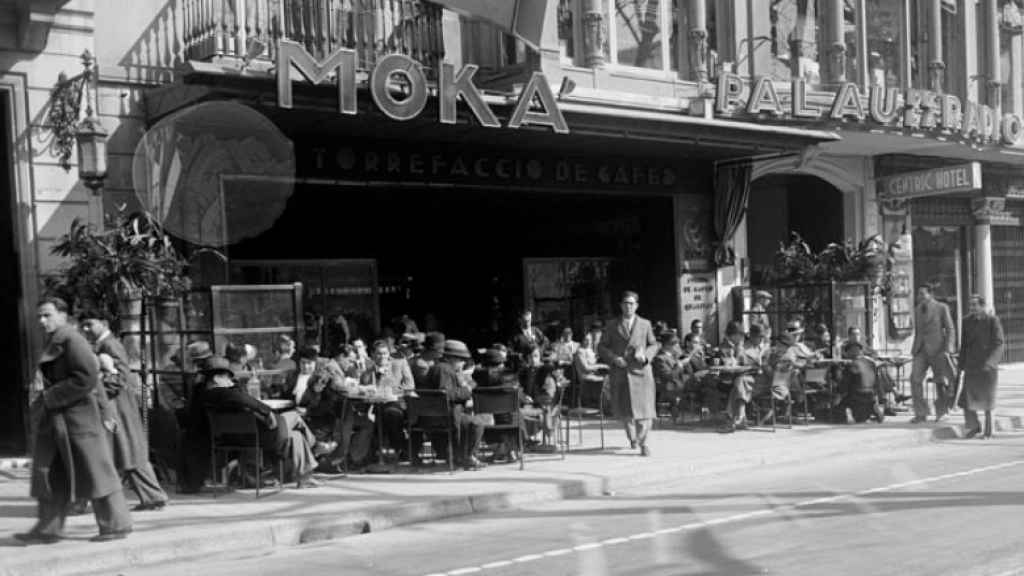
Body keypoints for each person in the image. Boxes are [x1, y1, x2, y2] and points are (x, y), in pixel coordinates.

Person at [17, 297, 132, 544]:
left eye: (47, 315)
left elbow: (88, 375)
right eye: (39, 316)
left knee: (96, 473)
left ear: (63, 315)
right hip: (60, 421)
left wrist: (51, 396)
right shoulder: (59, 339)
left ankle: (116, 525)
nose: (41, 320)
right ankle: (48, 530)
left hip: (79, 421)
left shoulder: (72, 340)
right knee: (50, 473)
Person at [80, 311, 169, 512]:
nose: (85, 330)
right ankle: (153, 496)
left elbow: (118, 379)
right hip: (116, 407)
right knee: (126, 453)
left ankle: (82, 501)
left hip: (116, 408)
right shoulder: (105, 344)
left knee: (117, 453)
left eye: (89, 324)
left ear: (103, 322)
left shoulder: (110, 345)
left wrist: (94, 391)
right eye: (83, 326)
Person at [202, 357, 319, 487]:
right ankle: (314, 445)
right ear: (217, 379)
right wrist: (268, 412)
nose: (230, 380)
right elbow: (250, 401)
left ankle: (304, 476)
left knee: (296, 435)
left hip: (232, 439)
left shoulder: (205, 396)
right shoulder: (227, 393)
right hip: (262, 438)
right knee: (296, 416)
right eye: (227, 377)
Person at [598, 290, 659, 456]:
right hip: (621, 372)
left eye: (632, 303)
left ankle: (644, 443)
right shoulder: (612, 325)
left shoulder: (645, 324)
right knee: (626, 411)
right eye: (625, 303)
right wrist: (614, 358)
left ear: (637, 306)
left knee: (645, 410)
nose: (628, 306)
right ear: (621, 305)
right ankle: (632, 437)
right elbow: (602, 347)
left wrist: (646, 356)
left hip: (641, 372)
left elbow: (654, 344)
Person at [418, 340, 488, 470]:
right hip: (442, 417)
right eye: (461, 360)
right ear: (451, 358)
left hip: (439, 414)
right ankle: (466, 457)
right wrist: (467, 390)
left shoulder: (444, 368)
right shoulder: (444, 370)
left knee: (471, 421)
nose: (463, 363)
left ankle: (462, 456)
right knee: (477, 423)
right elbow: (446, 394)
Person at [359, 340, 415, 459]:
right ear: (373, 355)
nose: (382, 357)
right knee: (372, 418)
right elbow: (363, 384)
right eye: (379, 354)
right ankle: (370, 454)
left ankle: (398, 449)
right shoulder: (368, 368)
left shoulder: (399, 363)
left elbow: (410, 385)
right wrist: (375, 373)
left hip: (397, 401)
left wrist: (395, 391)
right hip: (375, 404)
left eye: (385, 353)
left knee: (391, 414)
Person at [959, 295, 1005, 439]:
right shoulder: (966, 321)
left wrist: (991, 362)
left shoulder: (992, 321)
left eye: (975, 305)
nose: (972, 308)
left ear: (982, 306)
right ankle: (973, 426)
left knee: (987, 400)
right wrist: (961, 364)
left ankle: (988, 431)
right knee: (966, 400)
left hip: (987, 367)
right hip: (971, 365)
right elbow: (964, 345)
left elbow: (999, 343)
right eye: (971, 305)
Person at [910, 284, 956, 423]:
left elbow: (950, 329)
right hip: (920, 350)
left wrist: (948, 348)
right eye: (919, 294)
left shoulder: (941, 308)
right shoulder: (917, 310)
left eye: (922, 293)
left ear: (930, 294)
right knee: (915, 379)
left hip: (938, 349)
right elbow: (919, 331)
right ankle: (921, 412)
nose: (920, 296)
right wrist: (915, 348)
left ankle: (941, 412)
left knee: (939, 381)